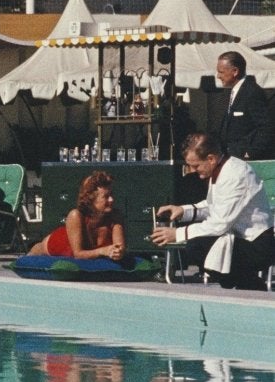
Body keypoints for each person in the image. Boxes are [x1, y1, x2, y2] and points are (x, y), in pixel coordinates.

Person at [153, 132, 275, 288]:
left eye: (196, 165)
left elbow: (219, 224)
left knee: (197, 246)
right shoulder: (221, 169)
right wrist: (183, 211)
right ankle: (246, 284)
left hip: (256, 243)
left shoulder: (235, 175)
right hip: (237, 238)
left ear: (211, 159)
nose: (193, 170)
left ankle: (248, 284)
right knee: (198, 246)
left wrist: (177, 234)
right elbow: (213, 206)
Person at [32, 169, 129, 264]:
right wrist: (103, 251)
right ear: (91, 200)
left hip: (80, 250)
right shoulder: (76, 216)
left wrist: (119, 252)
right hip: (54, 246)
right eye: (106, 196)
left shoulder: (116, 216)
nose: (111, 200)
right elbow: (78, 255)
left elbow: (120, 247)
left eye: (111, 195)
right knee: (36, 251)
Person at [213, 51, 275, 160]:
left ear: (235, 71)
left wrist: (250, 153)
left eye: (221, 72)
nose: (218, 76)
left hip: (245, 159)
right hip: (231, 156)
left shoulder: (252, 92)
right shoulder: (233, 92)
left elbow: (266, 127)